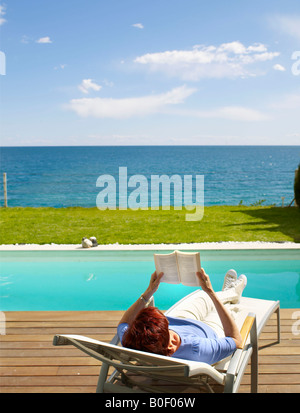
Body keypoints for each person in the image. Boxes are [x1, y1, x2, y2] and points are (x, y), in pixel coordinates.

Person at [117, 268, 247, 365]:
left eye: (167, 328)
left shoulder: (133, 341)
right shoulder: (199, 350)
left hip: (182, 319)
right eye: (169, 340)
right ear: (170, 347)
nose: (174, 339)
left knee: (202, 296)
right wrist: (211, 292)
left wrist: (149, 292)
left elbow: (123, 323)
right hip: (209, 330)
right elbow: (235, 340)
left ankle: (226, 293)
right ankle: (233, 292)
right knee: (227, 307)